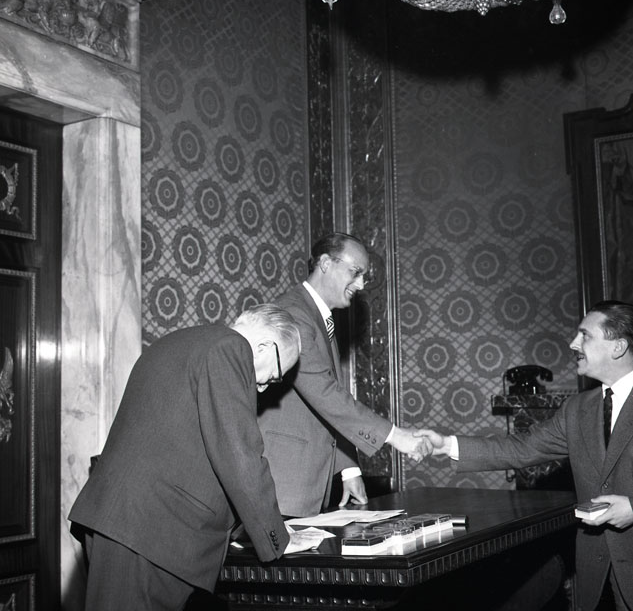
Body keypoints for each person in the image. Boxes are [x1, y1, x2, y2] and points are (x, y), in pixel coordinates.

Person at [69, 304, 309, 611]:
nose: (262, 388)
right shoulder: (231, 347)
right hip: (151, 535)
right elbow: (240, 455)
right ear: (264, 346)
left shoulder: (178, 341)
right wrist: (277, 537)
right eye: (273, 377)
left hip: (123, 526)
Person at [420, 300, 633, 611]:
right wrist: (446, 445)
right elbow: (522, 448)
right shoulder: (577, 409)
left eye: (585, 335)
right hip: (596, 575)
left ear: (618, 347)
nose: (573, 343)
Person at [257, 232, 427, 517]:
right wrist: (396, 436)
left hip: (306, 481)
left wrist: (348, 469)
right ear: (325, 263)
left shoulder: (317, 316)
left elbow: (328, 399)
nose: (360, 285)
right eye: (355, 272)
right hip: (283, 479)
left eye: (363, 277)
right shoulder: (293, 314)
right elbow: (323, 391)